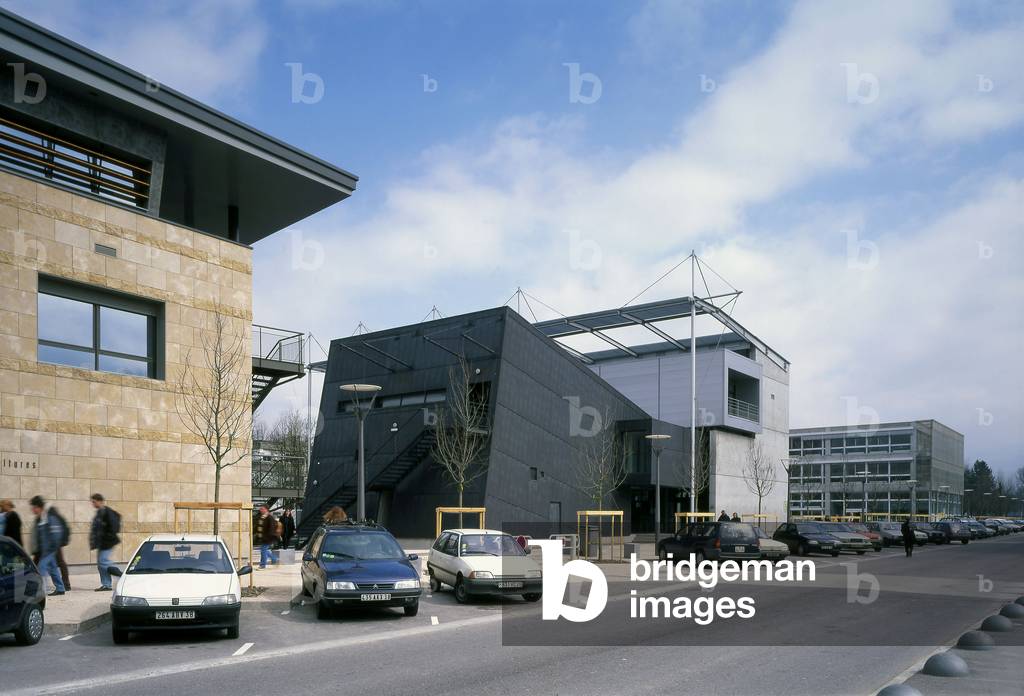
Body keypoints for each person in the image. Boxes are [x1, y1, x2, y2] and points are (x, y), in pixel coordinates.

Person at [29, 495, 69, 596]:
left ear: (38, 507)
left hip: (50, 549)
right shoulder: (42, 516)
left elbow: (56, 533)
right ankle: (60, 588)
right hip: (45, 549)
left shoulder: (50, 516)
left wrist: (52, 547)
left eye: (33, 507)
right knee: (53, 569)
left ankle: (41, 592)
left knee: (41, 568)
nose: (32, 510)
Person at [89, 493, 121, 591]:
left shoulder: (107, 512)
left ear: (100, 501)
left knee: (103, 561)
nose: (93, 504)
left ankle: (121, 574)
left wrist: (108, 537)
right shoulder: (100, 512)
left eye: (94, 502)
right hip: (101, 543)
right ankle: (106, 585)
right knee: (100, 564)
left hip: (107, 542)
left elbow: (114, 527)